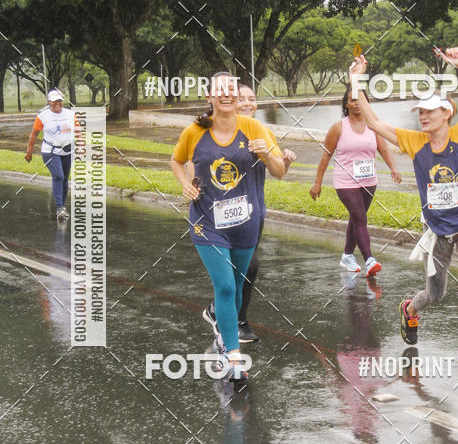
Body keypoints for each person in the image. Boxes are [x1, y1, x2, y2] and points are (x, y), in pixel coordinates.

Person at [351, 47, 458, 368]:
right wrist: (355, 81)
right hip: (437, 229)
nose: (422, 116)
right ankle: (410, 309)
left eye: (429, 111)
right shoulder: (414, 141)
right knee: (435, 293)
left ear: (446, 113)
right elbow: (373, 122)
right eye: (420, 112)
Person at [171, 73, 285, 379]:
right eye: (220, 90)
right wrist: (185, 184)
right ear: (209, 96)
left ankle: (225, 336)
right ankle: (233, 355)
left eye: (231, 89)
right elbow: (176, 160)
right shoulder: (195, 131)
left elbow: (280, 170)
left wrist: (265, 152)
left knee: (235, 286)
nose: (227, 94)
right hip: (207, 223)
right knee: (223, 285)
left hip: (245, 223)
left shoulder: (253, 127)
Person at [202, 83, 296, 343]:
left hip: (253, 211)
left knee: (245, 267)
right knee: (246, 266)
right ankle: (237, 322)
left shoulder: (260, 131)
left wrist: (281, 160)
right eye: (240, 98)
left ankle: (218, 310)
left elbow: (278, 171)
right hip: (218, 214)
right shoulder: (212, 132)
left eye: (251, 99)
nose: (246, 103)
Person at [310, 85, 401, 275]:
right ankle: (369, 259)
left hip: (369, 181)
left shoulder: (373, 126)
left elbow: (383, 149)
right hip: (345, 182)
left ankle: (347, 256)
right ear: (346, 104)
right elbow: (326, 156)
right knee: (360, 217)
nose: (357, 103)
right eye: (352, 100)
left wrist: (393, 169)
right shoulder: (338, 127)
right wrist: (317, 182)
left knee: (356, 218)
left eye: (360, 100)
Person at [24, 88, 75, 220]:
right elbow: (34, 135)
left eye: (59, 101)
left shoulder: (71, 114)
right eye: (54, 101)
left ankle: (62, 206)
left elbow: (78, 131)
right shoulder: (42, 117)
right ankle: (59, 207)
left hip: (67, 151)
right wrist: (29, 152)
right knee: (58, 176)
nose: (57, 104)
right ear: (49, 102)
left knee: (64, 178)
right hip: (50, 151)